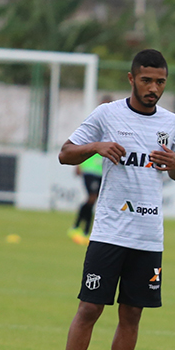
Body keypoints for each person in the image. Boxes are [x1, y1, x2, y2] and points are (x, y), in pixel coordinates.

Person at [46, 49, 175, 350]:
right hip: (109, 231)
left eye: (160, 82)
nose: (153, 88)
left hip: (148, 236)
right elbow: (65, 153)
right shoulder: (108, 114)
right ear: (131, 78)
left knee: (132, 314)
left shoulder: (171, 122)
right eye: (146, 80)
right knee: (90, 307)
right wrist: (96, 147)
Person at [68, 96, 114, 246]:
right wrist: (78, 165)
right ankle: (79, 228)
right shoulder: (96, 123)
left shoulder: (116, 124)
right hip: (89, 169)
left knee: (94, 200)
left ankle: (84, 230)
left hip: (102, 171)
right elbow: (82, 143)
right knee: (92, 198)